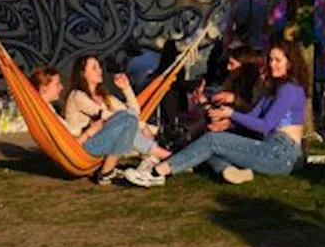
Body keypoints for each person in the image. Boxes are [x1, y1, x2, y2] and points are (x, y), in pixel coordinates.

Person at [125, 40, 310, 186]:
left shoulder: (290, 89)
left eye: (278, 60)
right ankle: (229, 170)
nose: (272, 64)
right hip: (271, 147)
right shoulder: (274, 88)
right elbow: (253, 117)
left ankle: (157, 173)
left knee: (212, 141)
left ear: (291, 63)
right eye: (271, 60)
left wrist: (230, 114)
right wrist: (225, 118)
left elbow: (266, 125)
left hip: (281, 153)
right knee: (211, 141)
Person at [32, 65, 172, 185]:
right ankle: (162, 156)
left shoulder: (104, 96)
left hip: (100, 138)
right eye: (94, 67)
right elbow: (70, 143)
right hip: (82, 149)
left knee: (127, 120)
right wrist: (91, 131)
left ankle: (160, 157)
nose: (62, 87)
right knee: (126, 120)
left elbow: (134, 114)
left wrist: (126, 89)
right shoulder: (74, 97)